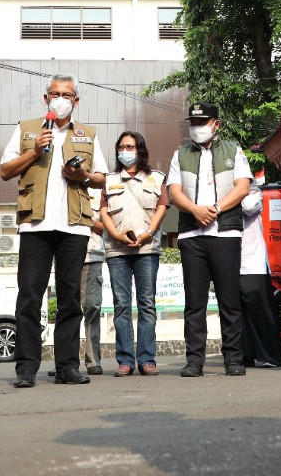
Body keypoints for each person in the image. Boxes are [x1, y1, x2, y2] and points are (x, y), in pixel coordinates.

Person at [0, 74, 106, 388]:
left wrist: (81, 174)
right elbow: (5, 171)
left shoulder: (87, 134)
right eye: (54, 94)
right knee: (30, 297)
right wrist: (33, 151)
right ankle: (27, 368)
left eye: (66, 94)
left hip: (74, 225)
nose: (60, 99)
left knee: (71, 298)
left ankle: (67, 367)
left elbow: (101, 178)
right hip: (35, 223)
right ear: (46, 99)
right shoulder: (26, 128)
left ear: (76, 100)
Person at [166, 102, 251, 378]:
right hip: (192, 235)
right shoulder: (180, 154)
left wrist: (215, 209)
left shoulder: (233, 151)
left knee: (229, 299)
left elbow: (242, 188)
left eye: (202, 122)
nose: (197, 127)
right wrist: (194, 210)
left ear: (216, 124)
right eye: (193, 122)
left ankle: (233, 359)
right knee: (194, 302)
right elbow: (174, 192)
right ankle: (194, 361)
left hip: (224, 233)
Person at [100, 131, 168, 377]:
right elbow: (104, 212)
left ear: (140, 150)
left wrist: (149, 232)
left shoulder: (156, 178)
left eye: (130, 146)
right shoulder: (109, 180)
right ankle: (125, 361)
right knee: (121, 306)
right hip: (117, 250)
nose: (126, 151)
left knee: (147, 304)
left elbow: (162, 206)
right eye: (121, 146)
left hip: (147, 248)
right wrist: (116, 235)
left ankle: (147, 359)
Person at [238, 184, 281, 368]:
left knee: (260, 309)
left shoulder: (253, 191)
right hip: (229, 258)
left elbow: (249, 207)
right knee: (237, 311)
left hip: (252, 259)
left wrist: (230, 196)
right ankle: (244, 355)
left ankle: (270, 356)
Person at [81, 188, 105, 376]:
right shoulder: (62, 185)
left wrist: (84, 219)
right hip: (66, 258)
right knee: (67, 309)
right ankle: (66, 360)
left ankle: (92, 359)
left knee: (92, 308)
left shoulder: (100, 191)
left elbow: (108, 226)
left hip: (93, 255)